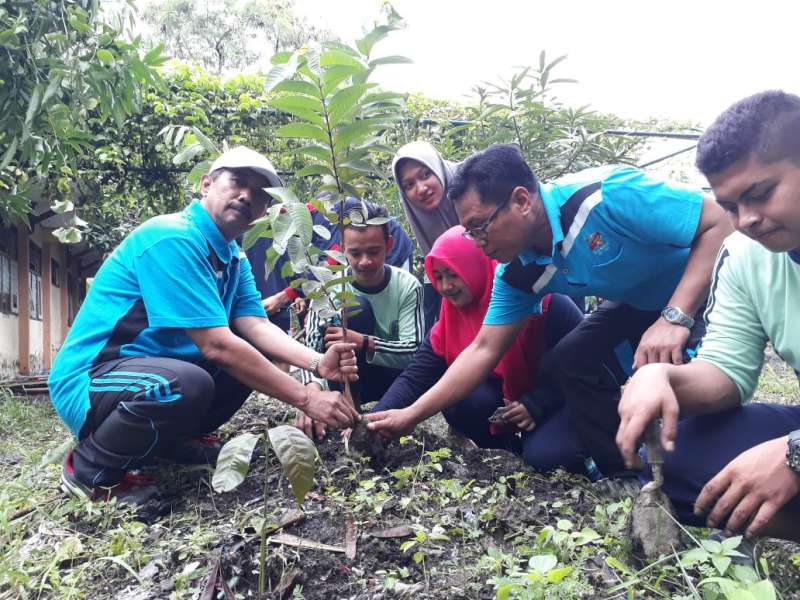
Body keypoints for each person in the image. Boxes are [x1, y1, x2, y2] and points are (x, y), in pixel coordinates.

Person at [368, 143, 731, 480]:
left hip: (704, 289)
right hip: (637, 303)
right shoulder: (518, 272)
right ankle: (623, 472)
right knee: (571, 358)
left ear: (522, 200)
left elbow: (720, 223)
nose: (478, 244)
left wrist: (675, 315)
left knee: (690, 386)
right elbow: (482, 350)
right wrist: (409, 416)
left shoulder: (606, 196)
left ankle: (702, 465)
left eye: (480, 227)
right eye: (469, 233)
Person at [49, 146, 360, 511]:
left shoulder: (233, 258)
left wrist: (317, 363)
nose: (247, 196)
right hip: (90, 383)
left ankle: (172, 442)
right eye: (237, 183)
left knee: (242, 358)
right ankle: (88, 468)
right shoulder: (173, 237)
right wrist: (307, 398)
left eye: (259, 195)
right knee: (190, 381)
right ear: (206, 184)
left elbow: (255, 325)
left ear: (264, 211)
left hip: (147, 377)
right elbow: (217, 345)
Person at [616, 90, 800, 541]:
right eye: (732, 206)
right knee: (681, 458)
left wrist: (794, 454)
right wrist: (662, 378)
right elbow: (727, 373)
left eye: (760, 193)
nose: (747, 220)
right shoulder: (744, 254)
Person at [371, 225, 588, 471]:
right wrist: (375, 420)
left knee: (548, 457)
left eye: (453, 274)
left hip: (564, 397)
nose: (445, 286)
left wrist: (537, 403)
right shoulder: (449, 321)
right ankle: (508, 451)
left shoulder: (541, 300)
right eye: (438, 277)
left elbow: (589, 357)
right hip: (513, 405)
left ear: (473, 264)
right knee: (460, 402)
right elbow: (414, 378)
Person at [295, 201, 424, 440]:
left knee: (358, 310)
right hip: (342, 377)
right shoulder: (329, 287)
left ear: (389, 245)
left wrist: (364, 342)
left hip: (391, 380)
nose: (365, 261)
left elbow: (415, 353)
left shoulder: (407, 286)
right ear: (343, 248)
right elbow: (309, 349)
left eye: (374, 252)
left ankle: (372, 416)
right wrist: (311, 392)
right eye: (355, 253)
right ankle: (348, 408)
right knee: (354, 308)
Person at [249, 197, 415, 331]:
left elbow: (332, 261)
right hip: (367, 255)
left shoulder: (323, 213)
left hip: (391, 251)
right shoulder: (306, 233)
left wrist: (283, 296)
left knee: (390, 317)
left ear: (286, 212)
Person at [392, 141, 459, 331]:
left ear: (437, 168)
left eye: (426, 174)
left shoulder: (472, 186)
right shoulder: (421, 220)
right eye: (409, 185)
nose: (421, 189)